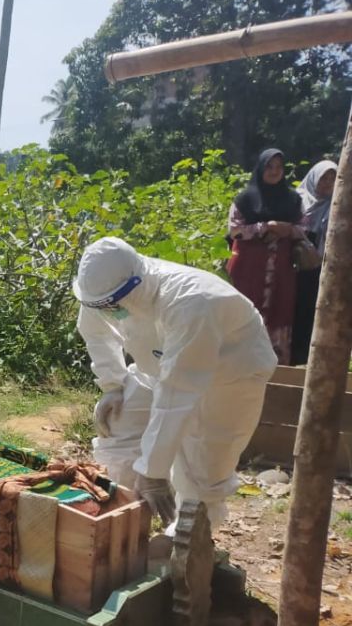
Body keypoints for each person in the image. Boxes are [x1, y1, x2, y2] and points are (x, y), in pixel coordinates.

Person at [75, 237, 278, 536]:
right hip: (157, 364)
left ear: (137, 280)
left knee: (202, 471)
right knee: (121, 420)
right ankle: (120, 517)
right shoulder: (103, 291)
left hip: (230, 376)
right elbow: (95, 330)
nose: (109, 310)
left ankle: (184, 548)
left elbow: (177, 393)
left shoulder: (192, 301)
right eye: (102, 305)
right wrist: (113, 384)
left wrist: (153, 472)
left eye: (113, 302)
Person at [226, 149, 305, 364]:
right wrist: (263, 227)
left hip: (282, 268)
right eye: (269, 166)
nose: (274, 171)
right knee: (245, 312)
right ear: (260, 168)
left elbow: (304, 230)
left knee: (281, 313)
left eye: (279, 167)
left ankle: (276, 371)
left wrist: (286, 229)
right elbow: (235, 230)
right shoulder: (245, 199)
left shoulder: (293, 200)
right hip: (249, 268)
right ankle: (240, 366)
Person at [292, 160, 339, 365]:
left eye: (332, 178)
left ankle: (309, 359)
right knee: (294, 310)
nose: (328, 183)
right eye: (324, 177)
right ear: (314, 178)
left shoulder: (339, 205)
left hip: (324, 269)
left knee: (315, 312)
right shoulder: (297, 201)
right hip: (294, 268)